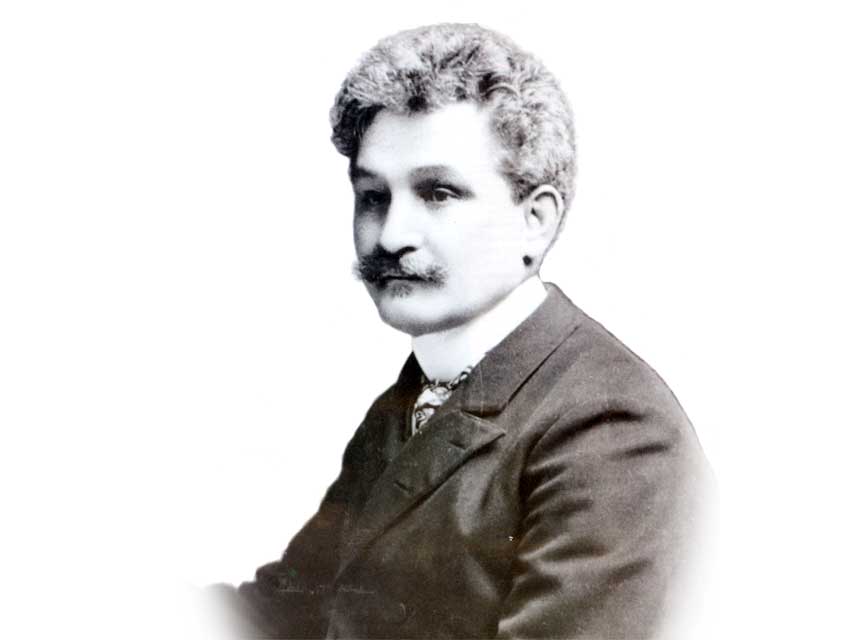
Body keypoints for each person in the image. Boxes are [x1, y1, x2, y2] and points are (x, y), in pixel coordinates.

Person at [212, 22, 709, 639]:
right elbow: (290, 608)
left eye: (439, 193)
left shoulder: (613, 431)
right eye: (373, 195)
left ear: (535, 221)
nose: (391, 235)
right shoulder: (415, 395)